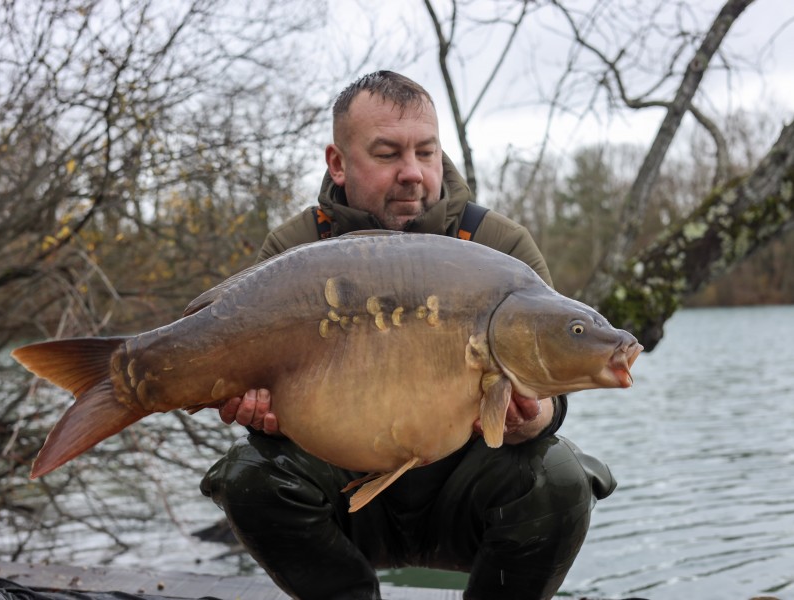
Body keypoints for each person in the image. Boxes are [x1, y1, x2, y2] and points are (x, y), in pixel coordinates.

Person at [200, 71, 616, 600]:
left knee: (557, 474)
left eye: (426, 152)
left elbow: (551, 387)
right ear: (338, 163)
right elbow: (262, 393)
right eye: (388, 154)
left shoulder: (498, 245)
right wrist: (261, 412)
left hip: (464, 499)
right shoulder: (297, 247)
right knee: (251, 473)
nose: (413, 173)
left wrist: (533, 419)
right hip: (343, 496)